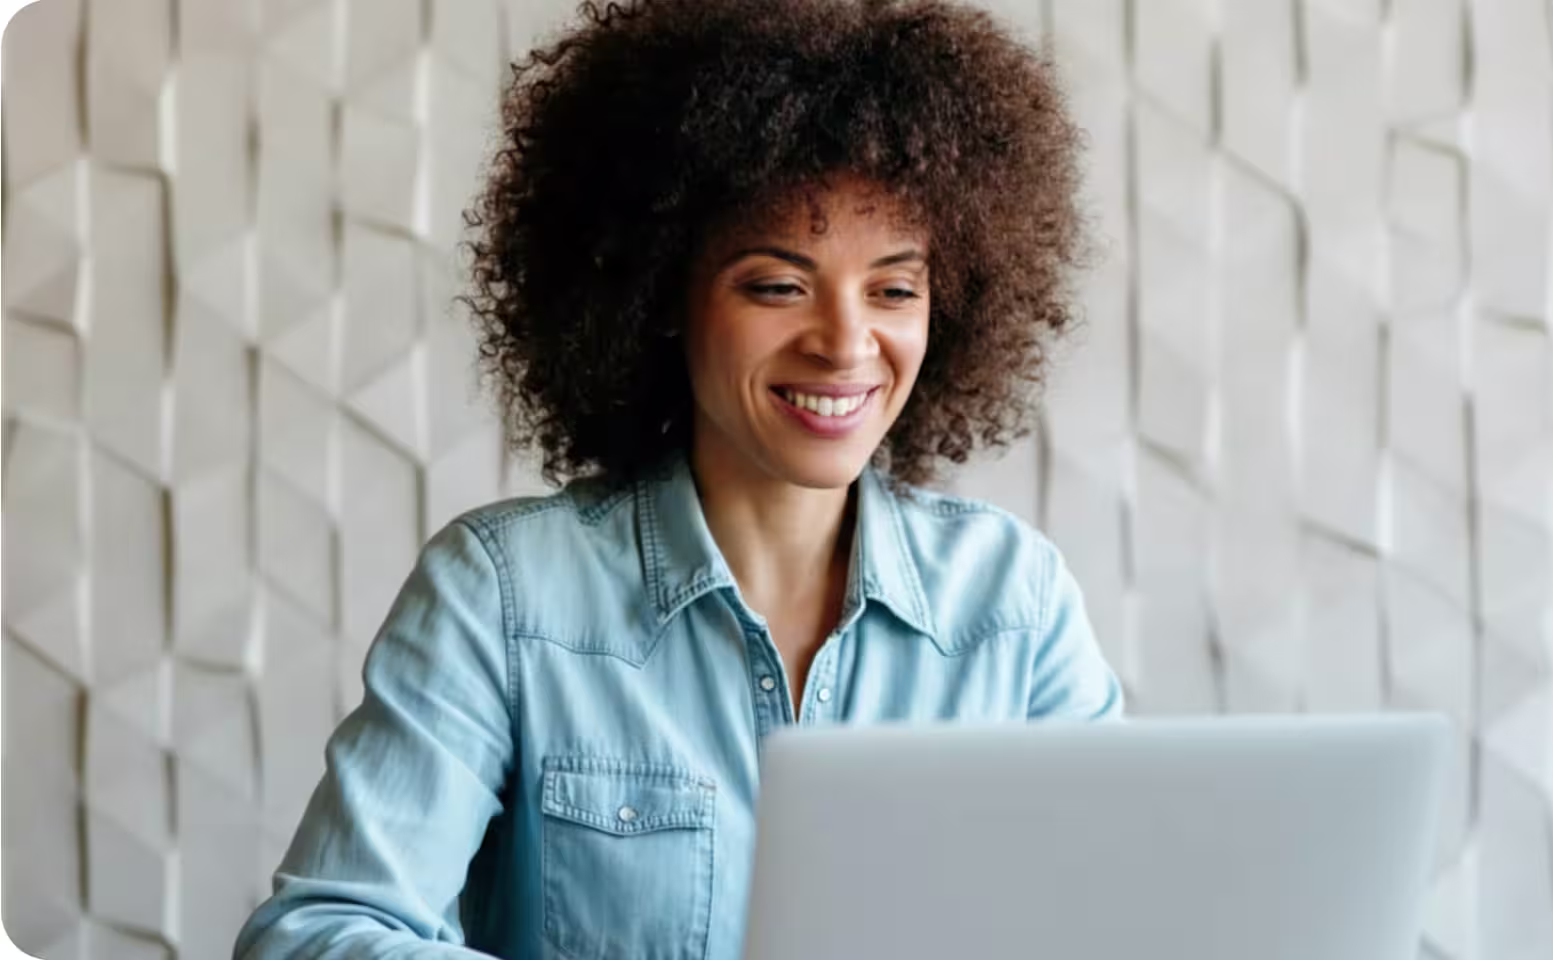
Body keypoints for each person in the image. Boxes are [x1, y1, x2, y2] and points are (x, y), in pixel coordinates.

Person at [234, 0, 1123, 956]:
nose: (845, 343)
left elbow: (1123, 917)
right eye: (777, 285)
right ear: (661, 293)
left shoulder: (1015, 606)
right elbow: (317, 935)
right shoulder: (504, 596)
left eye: (894, 289)